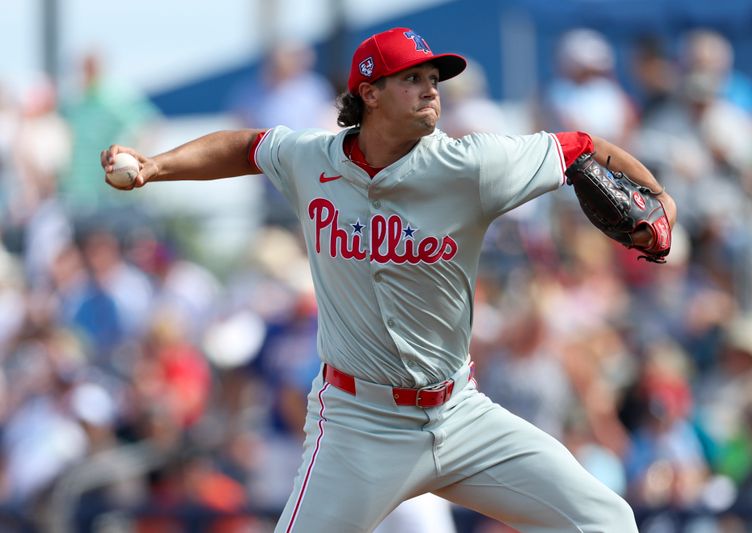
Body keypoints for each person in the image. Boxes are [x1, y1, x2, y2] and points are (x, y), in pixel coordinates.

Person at [101, 27, 676, 532]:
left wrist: (663, 199)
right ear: (369, 94)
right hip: (358, 425)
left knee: (604, 520)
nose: (431, 89)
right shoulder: (311, 158)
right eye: (412, 78)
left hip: (460, 414)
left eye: (435, 78)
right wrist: (156, 167)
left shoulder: (471, 164)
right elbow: (246, 147)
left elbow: (583, 148)